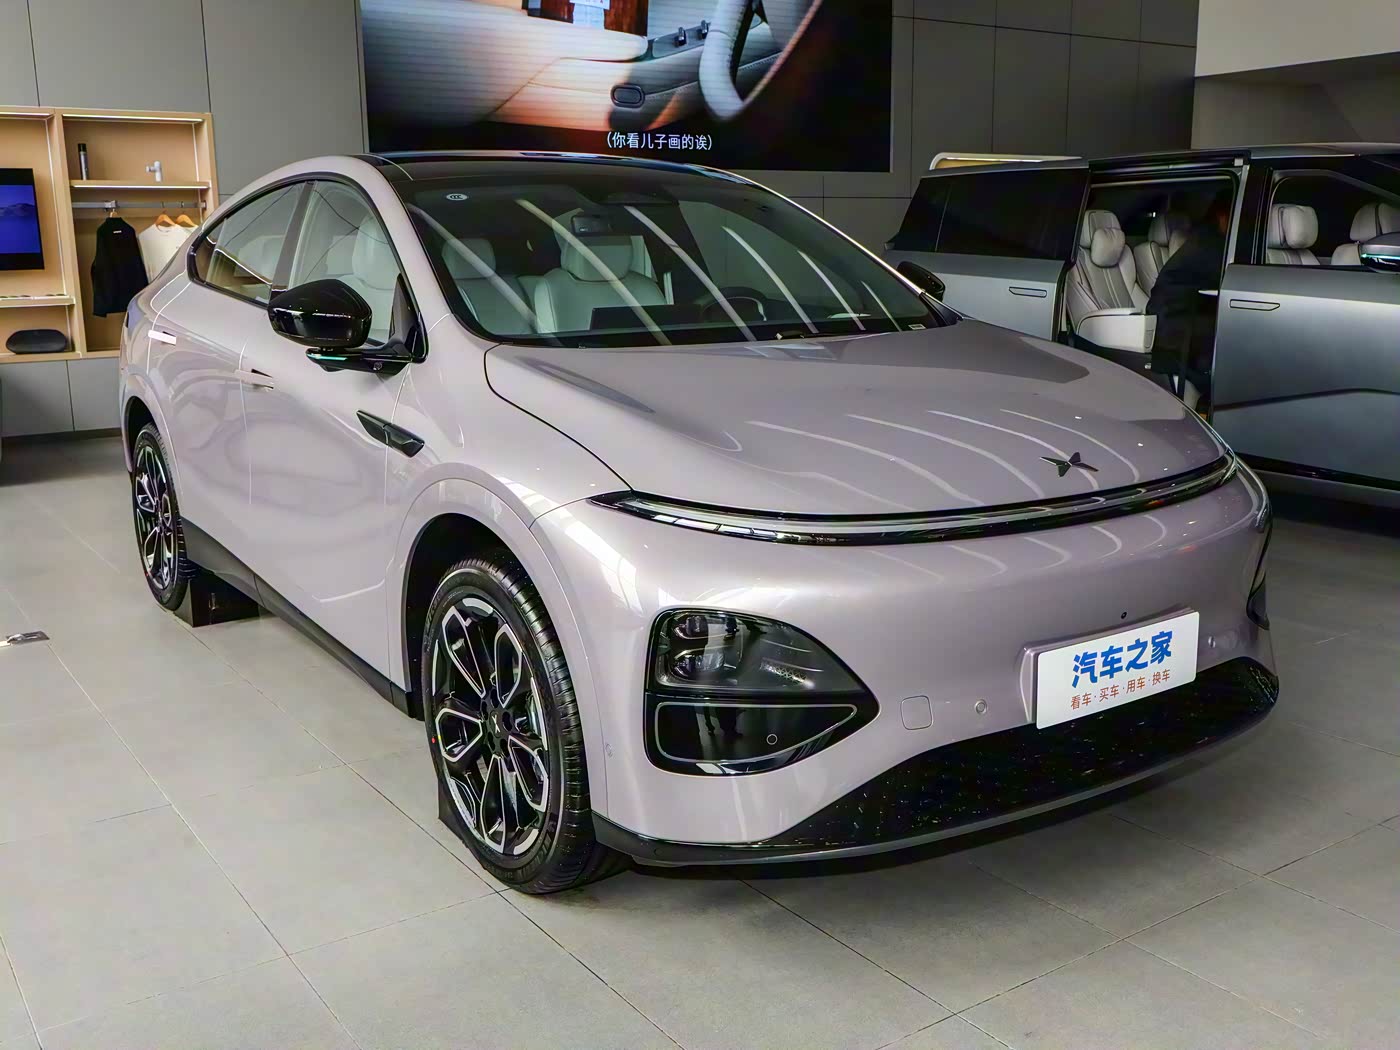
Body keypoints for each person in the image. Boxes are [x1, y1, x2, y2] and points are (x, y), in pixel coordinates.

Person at [1147, 192, 1231, 407]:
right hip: (1175, 329)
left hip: (1185, 320)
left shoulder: (1211, 241)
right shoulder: (1209, 244)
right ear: (1222, 216)